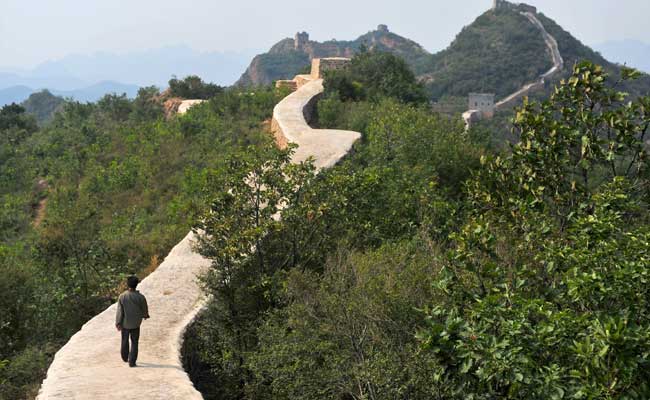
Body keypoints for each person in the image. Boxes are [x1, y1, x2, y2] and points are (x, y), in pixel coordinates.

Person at [115, 275, 150, 367]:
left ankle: (125, 357)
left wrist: (118, 322)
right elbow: (144, 309)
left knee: (124, 340)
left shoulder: (122, 296)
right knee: (134, 342)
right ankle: (132, 361)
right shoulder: (141, 297)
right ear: (136, 285)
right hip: (136, 324)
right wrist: (145, 315)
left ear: (128, 285)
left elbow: (119, 311)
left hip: (125, 324)